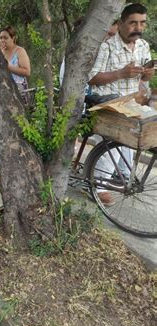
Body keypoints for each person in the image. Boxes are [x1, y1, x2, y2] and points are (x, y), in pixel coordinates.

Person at [88, 3, 155, 206]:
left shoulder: (142, 45)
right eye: (133, 23)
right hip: (105, 100)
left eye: (142, 23)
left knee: (144, 128)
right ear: (121, 23)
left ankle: (121, 173)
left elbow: (145, 75)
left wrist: (147, 73)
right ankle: (98, 185)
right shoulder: (107, 46)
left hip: (131, 100)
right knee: (121, 134)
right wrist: (120, 73)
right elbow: (92, 78)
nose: (138, 27)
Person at [0, 25, 31, 104]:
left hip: (18, 89)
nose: (2, 40)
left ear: (13, 39)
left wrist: (9, 67)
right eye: (1, 38)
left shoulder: (19, 51)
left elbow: (27, 71)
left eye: (5, 38)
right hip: (3, 89)